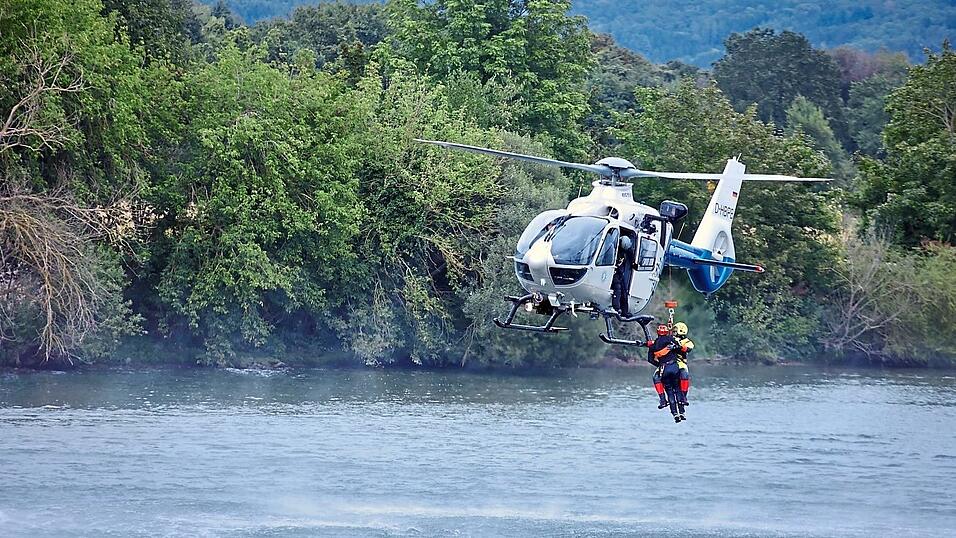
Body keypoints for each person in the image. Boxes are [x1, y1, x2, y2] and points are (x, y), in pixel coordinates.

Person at [646, 324, 685, 422]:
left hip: (664, 368)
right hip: (674, 366)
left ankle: (674, 413)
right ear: (667, 332)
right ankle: (682, 411)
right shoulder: (670, 339)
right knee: (677, 388)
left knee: (669, 391)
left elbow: (650, 359)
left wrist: (659, 364)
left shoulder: (653, 345)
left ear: (658, 333)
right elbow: (679, 347)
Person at [611, 236, 633, 316]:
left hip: (620, 273)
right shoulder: (614, 250)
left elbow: (631, 255)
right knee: (618, 288)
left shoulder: (624, 252)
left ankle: (624, 312)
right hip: (615, 273)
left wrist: (634, 264)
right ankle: (616, 308)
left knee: (624, 292)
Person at [672, 322, 693, 406]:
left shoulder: (687, 341)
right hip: (669, 362)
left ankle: (684, 396)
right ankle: (663, 397)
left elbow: (689, 348)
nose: (673, 332)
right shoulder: (670, 339)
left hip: (681, 363)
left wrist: (679, 347)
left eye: (675, 331)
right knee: (657, 376)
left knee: (685, 375)